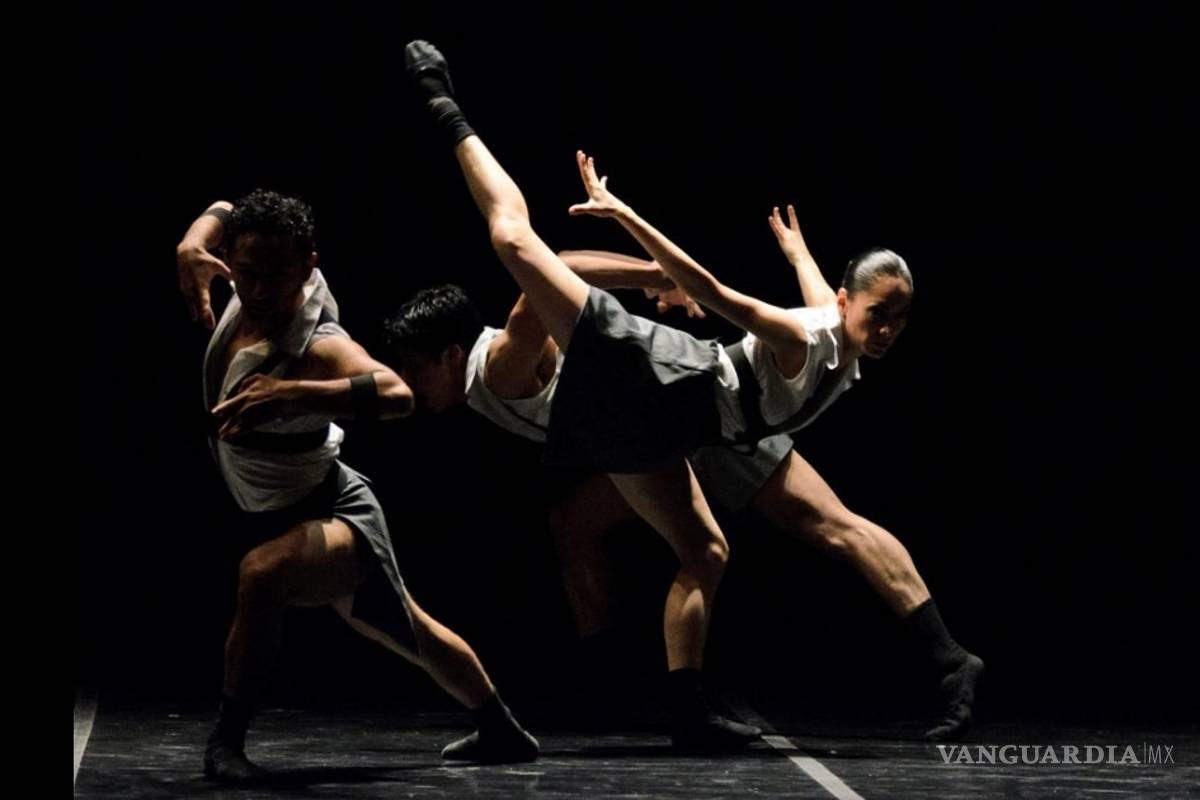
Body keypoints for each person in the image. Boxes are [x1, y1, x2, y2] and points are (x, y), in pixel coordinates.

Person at [402, 39, 982, 741]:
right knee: (625, 535)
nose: (885, 330)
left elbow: (555, 262)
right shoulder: (827, 328)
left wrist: (648, 262)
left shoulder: (499, 369)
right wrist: (797, 257)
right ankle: (660, 697)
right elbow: (818, 310)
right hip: (663, 428)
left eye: (897, 319)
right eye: (877, 313)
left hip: (681, 397)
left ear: (450, 354)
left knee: (513, 243)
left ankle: (447, 110)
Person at [175, 188, 538, 783]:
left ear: (308, 267)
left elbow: (397, 394)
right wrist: (192, 243)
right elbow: (222, 205)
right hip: (274, 507)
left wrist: (292, 393)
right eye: (246, 274)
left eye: (279, 275)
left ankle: (227, 743)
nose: (261, 290)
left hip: (333, 510)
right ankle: (500, 727)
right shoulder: (240, 276)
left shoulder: (317, 342)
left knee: (260, 575)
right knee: (408, 627)